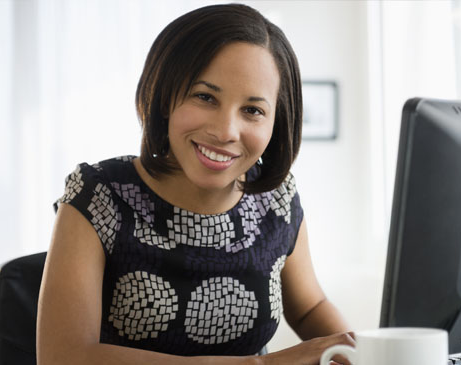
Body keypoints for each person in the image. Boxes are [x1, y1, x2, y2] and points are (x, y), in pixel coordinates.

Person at [36, 4, 354, 365]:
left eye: (252, 110)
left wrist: (366, 351)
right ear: (165, 96)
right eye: (205, 97)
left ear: (276, 122)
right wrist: (260, 364)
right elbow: (63, 357)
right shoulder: (99, 195)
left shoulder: (275, 199)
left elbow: (310, 306)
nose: (225, 132)